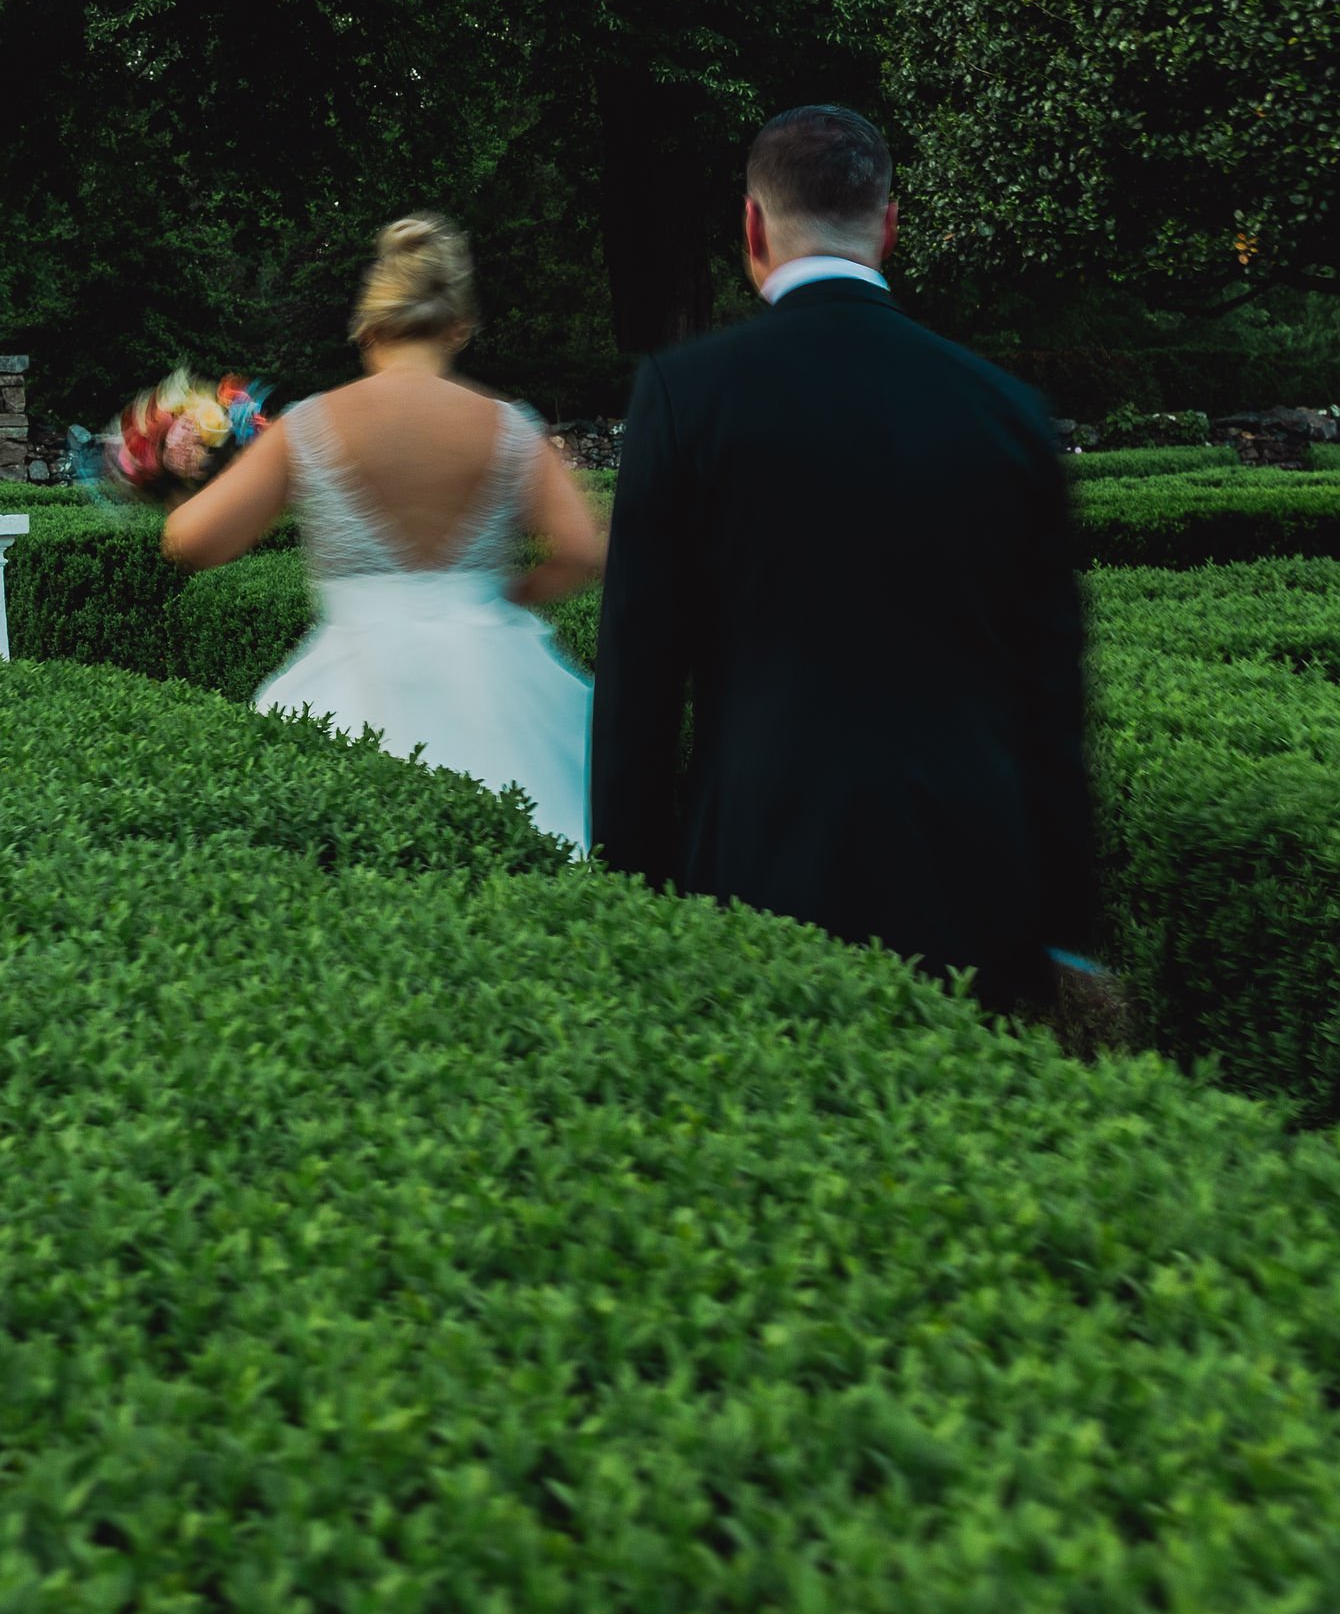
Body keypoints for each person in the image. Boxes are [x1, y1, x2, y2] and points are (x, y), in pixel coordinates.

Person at [590, 104, 1108, 1021]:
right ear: (889, 227)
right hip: (973, 870)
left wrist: (629, 898)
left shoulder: (685, 395)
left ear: (751, 227)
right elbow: (1052, 690)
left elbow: (640, 680)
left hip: (760, 856)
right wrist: (1066, 922)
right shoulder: (1006, 408)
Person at [162, 214, 605, 846]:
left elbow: (192, 541)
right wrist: (504, 596)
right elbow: (582, 552)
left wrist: (171, 471)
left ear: (368, 329)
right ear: (459, 328)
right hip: (502, 689)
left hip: (353, 682)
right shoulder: (511, 428)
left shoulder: (310, 425)